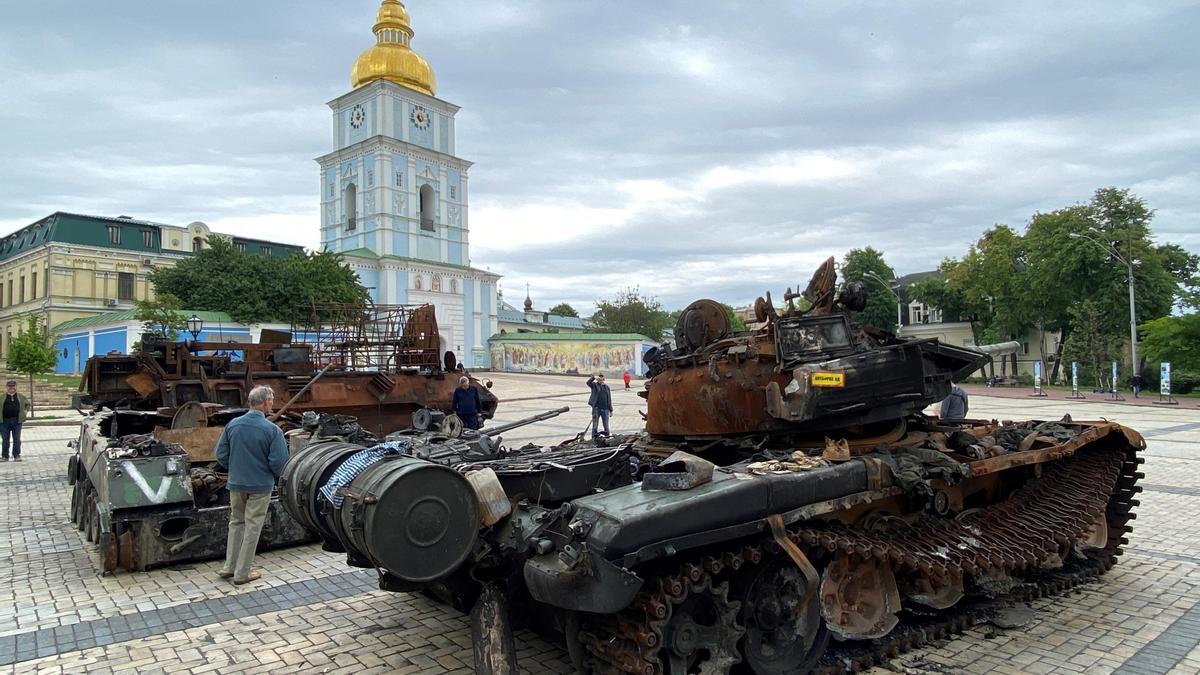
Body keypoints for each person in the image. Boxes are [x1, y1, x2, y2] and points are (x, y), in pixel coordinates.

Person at [215, 385, 288, 585]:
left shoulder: (233, 425)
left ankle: (229, 567)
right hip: (259, 486)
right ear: (265, 403)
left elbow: (220, 454)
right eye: (271, 400)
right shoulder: (272, 430)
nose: (272, 404)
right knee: (252, 527)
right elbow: (280, 463)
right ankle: (242, 573)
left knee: (236, 523)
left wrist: (237, 468)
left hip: (236, 484)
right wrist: (273, 476)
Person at [2, 380, 31, 462]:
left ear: (16, 387)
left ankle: (17, 455)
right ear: (7, 387)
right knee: (5, 440)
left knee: (17, 439)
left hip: (17, 421)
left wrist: (25, 412)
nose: (11, 388)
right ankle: (4, 456)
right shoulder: (2, 397)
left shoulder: (21, 397)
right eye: (10, 386)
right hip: (4, 422)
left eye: (13, 386)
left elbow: (28, 404)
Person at [587, 373, 613, 438]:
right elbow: (588, 382)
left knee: (606, 426)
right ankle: (594, 438)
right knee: (595, 425)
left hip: (605, 409)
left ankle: (607, 438)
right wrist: (594, 378)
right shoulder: (594, 385)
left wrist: (611, 410)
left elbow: (609, 399)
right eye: (599, 379)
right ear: (598, 379)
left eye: (602, 379)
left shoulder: (606, 387)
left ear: (604, 379)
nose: (601, 380)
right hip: (596, 408)